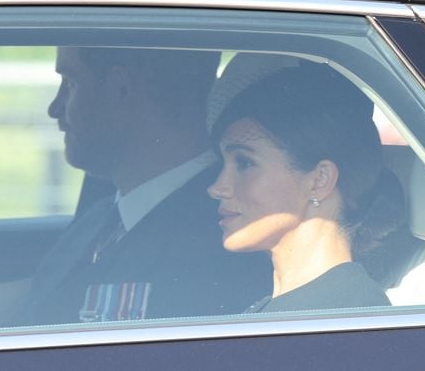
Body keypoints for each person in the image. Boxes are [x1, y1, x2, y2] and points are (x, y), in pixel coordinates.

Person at [22, 47, 271, 325]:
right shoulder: (100, 218)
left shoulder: (227, 241)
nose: (54, 108)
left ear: (121, 89)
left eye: (71, 83)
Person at [207, 59, 391, 313]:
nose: (216, 188)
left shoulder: (340, 322)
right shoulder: (317, 311)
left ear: (319, 180)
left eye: (245, 163)